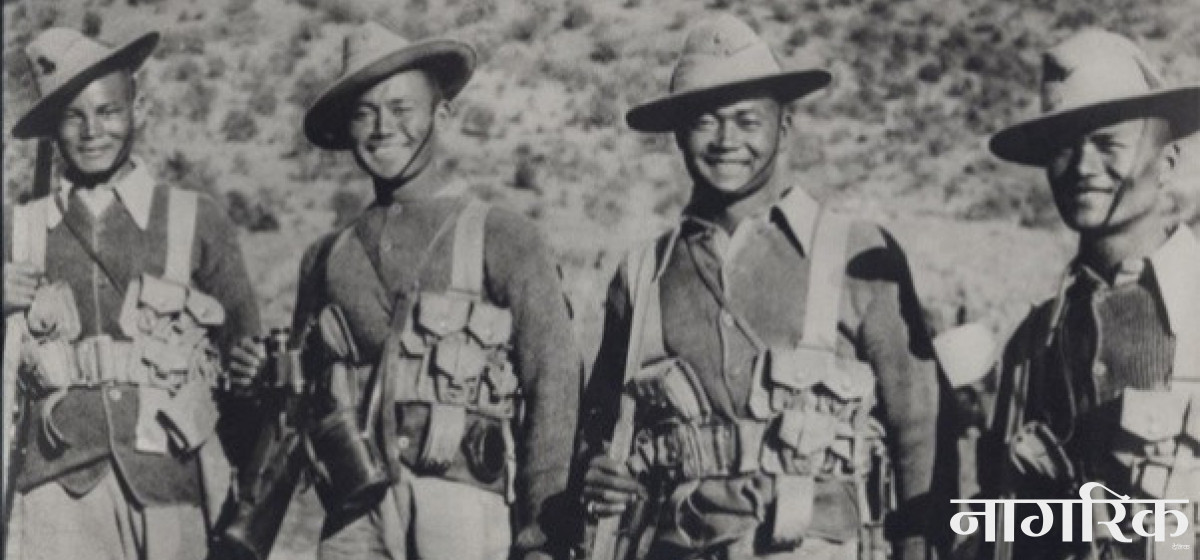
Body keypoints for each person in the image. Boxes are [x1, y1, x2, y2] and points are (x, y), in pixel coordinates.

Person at [578, 14, 947, 560]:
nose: (727, 141)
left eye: (747, 120)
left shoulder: (856, 254)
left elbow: (919, 431)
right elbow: (599, 425)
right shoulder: (643, 274)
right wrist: (595, 469)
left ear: (785, 126)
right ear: (678, 135)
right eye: (705, 122)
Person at [285, 22, 581, 560]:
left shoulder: (504, 236)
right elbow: (299, 395)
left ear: (441, 115)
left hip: (465, 511)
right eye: (364, 113)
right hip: (353, 517)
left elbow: (554, 385)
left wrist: (541, 532)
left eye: (402, 109)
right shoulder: (325, 258)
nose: (383, 128)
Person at [3, 27, 262, 560]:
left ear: (138, 108)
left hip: (171, 487)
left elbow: (248, 367)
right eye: (72, 116)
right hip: (56, 494)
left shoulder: (197, 219)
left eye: (108, 111)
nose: (92, 130)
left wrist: (242, 488)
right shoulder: (18, 229)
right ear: (51, 129)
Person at [980, 28, 1200, 560]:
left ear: (1167, 162)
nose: (1082, 168)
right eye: (1065, 147)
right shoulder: (1033, 345)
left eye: (1108, 145)